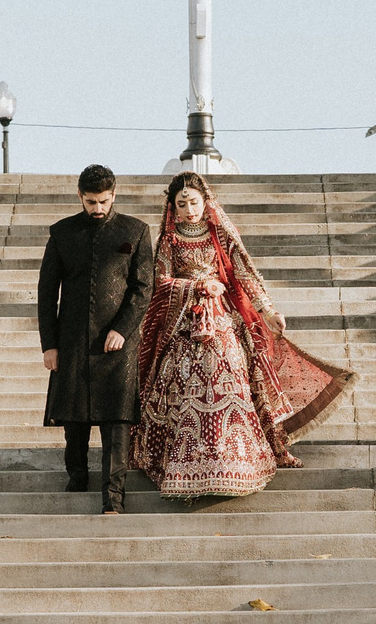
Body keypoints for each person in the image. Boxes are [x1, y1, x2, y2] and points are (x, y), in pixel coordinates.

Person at [128, 172, 352, 499]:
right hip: (185, 324)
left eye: (194, 202)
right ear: (173, 208)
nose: (189, 209)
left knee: (233, 378)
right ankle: (188, 462)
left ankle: (235, 460)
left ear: (206, 202)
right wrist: (197, 286)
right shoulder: (170, 239)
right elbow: (162, 282)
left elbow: (244, 272)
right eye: (182, 204)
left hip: (224, 322)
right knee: (184, 382)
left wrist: (268, 311)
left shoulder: (221, 236)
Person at [36, 164, 158, 515]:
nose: (98, 208)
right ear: (80, 196)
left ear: (114, 195)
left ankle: (113, 499)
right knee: (73, 421)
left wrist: (123, 328)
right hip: (72, 341)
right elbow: (47, 293)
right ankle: (76, 482)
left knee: (117, 422)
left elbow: (143, 289)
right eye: (91, 201)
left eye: (104, 201)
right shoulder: (61, 233)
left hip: (119, 343)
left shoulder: (135, 231)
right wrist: (50, 345)